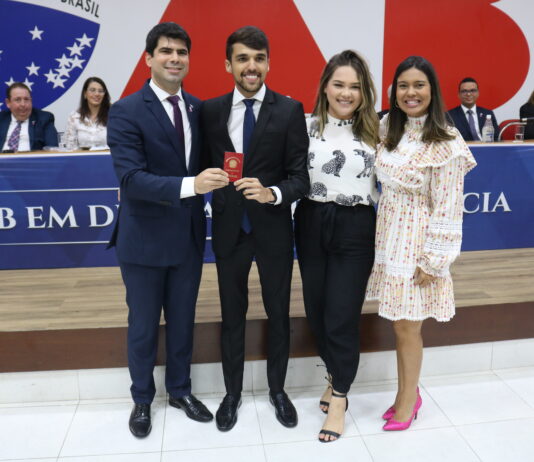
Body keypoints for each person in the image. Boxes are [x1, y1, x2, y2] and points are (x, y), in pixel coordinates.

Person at [107, 22, 229, 438]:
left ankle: (180, 391)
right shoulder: (126, 110)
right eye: (166, 51)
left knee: (182, 322)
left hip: (188, 237)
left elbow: (212, 162)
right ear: (149, 58)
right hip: (143, 241)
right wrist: (193, 185)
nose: (174, 58)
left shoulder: (198, 108)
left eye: (181, 52)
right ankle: (142, 398)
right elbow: (131, 180)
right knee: (143, 325)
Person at [201, 26, 310, 432]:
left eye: (259, 58)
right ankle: (232, 394)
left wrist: (272, 194)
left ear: (268, 63)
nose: (251, 66)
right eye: (243, 58)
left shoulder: (290, 110)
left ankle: (277, 390)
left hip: (273, 229)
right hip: (229, 229)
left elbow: (301, 178)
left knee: (278, 313)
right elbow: (200, 166)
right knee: (232, 315)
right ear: (228, 64)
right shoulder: (210, 111)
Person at [366, 56, 476, 431]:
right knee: (399, 324)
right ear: (394, 91)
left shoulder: (447, 141)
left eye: (419, 85)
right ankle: (405, 395)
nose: (410, 93)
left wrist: (434, 260)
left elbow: (449, 206)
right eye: (403, 85)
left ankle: (408, 402)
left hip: (417, 243)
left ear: (433, 90)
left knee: (408, 328)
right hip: (389, 236)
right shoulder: (387, 128)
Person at [294, 50, 379, 442]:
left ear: (364, 92)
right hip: (310, 220)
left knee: (342, 315)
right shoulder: (304, 127)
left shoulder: (379, 131)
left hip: (355, 225)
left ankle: (340, 396)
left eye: (355, 87)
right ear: (325, 87)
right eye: (339, 84)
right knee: (317, 311)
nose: (346, 93)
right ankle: (335, 375)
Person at [0, 82, 58, 152]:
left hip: (31, 158)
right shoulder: (1, 118)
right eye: (18, 100)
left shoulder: (44, 118)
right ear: (8, 103)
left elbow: (52, 149)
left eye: (26, 99)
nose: (23, 104)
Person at [64, 77, 110, 149]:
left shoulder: (113, 115)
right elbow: (70, 147)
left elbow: (119, 143)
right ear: (85, 94)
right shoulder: (74, 117)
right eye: (92, 90)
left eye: (101, 91)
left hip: (108, 155)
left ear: (104, 95)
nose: (97, 94)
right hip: (81, 156)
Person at [447, 77, 498, 141]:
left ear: (478, 93)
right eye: (464, 91)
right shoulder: (449, 116)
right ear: (459, 94)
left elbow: (497, 137)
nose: (468, 94)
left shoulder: (488, 113)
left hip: (486, 146)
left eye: (473, 90)